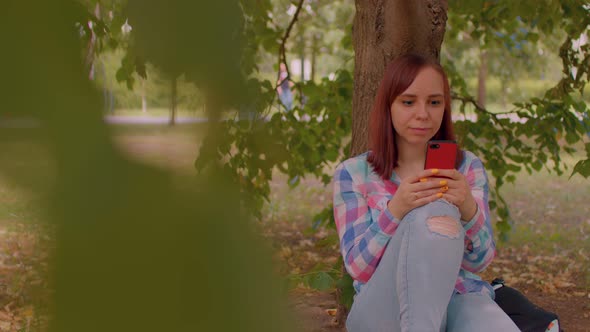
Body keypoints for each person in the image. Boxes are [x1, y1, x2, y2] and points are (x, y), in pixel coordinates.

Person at [332, 54, 519, 332]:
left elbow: (479, 261)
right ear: (388, 106)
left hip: (456, 297)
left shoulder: (466, 168)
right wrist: (397, 209)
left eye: (434, 102)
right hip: (382, 307)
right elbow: (358, 268)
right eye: (408, 102)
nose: (423, 113)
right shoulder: (353, 173)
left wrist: (467, 207)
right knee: (435, 210)